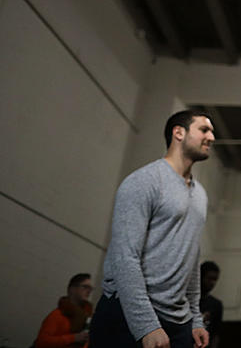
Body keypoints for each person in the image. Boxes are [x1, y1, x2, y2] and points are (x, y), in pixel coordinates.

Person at [89, 110, 214, 348]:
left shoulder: (200, 195)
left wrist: (196, 318)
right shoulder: (144, 181)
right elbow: (124, 256)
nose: (211, 137)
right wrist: (146, 325)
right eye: (204, 130)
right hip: (128, 316)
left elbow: (192, 260)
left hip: (178, 320)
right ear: (179, 132)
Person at [34, 272, 93, 348]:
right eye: (85, 287)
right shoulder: (57, 315)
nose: (89, 291)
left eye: (90, 288)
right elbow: (41, 342)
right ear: (72, 289)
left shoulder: (88, 316)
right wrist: (73, 338)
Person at [199, 262, 222, 348]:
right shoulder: (186, 301)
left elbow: (216, 333)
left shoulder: (216, 305)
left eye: (215, 279)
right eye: (209, 278)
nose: (212, 283)